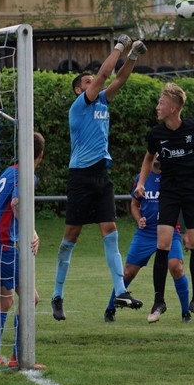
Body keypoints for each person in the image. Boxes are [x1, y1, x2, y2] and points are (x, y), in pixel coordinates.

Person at [51, 35, 148, 321]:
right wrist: (120, 46)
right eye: (87, 81)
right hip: (80, 177)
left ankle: (120, 290)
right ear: (79, 90)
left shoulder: (103, 101)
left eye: (92, 81)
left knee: (111, 231)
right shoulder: (80, 106)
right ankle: (57, 295)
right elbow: (106, 73)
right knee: (71, 237)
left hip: (100, 177)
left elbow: (118, 79)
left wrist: (133, 56)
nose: (94, 81)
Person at [134, 82, 194, 320]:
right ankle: (158, 302)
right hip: (169, 193)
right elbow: (149, 159)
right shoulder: (156, 134)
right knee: (163, 244)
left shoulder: (192, 126)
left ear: (173, 108)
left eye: (161, 103)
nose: (157, 107)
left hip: (192, 192)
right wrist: (141, 183)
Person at [0, 132, 46, 370]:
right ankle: (20, 356)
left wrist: (1, 222)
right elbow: (17, 204)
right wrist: (31, 232)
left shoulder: (8, 172)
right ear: (40, 155)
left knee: (5, 301)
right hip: (3, 245)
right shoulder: (28, 176)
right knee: (31, 298)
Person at [105, 160, 191, 323]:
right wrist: (139, 219)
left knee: (176, 267)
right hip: (146, 233)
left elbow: (184, 205)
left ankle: (186, 314)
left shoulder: (173, 177)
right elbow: (134, 204)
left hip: (170, 232)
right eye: (155, 151)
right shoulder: (142, 178)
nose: (158, 155)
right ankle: (110, 309)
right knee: (128, 271)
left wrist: (186, 233)